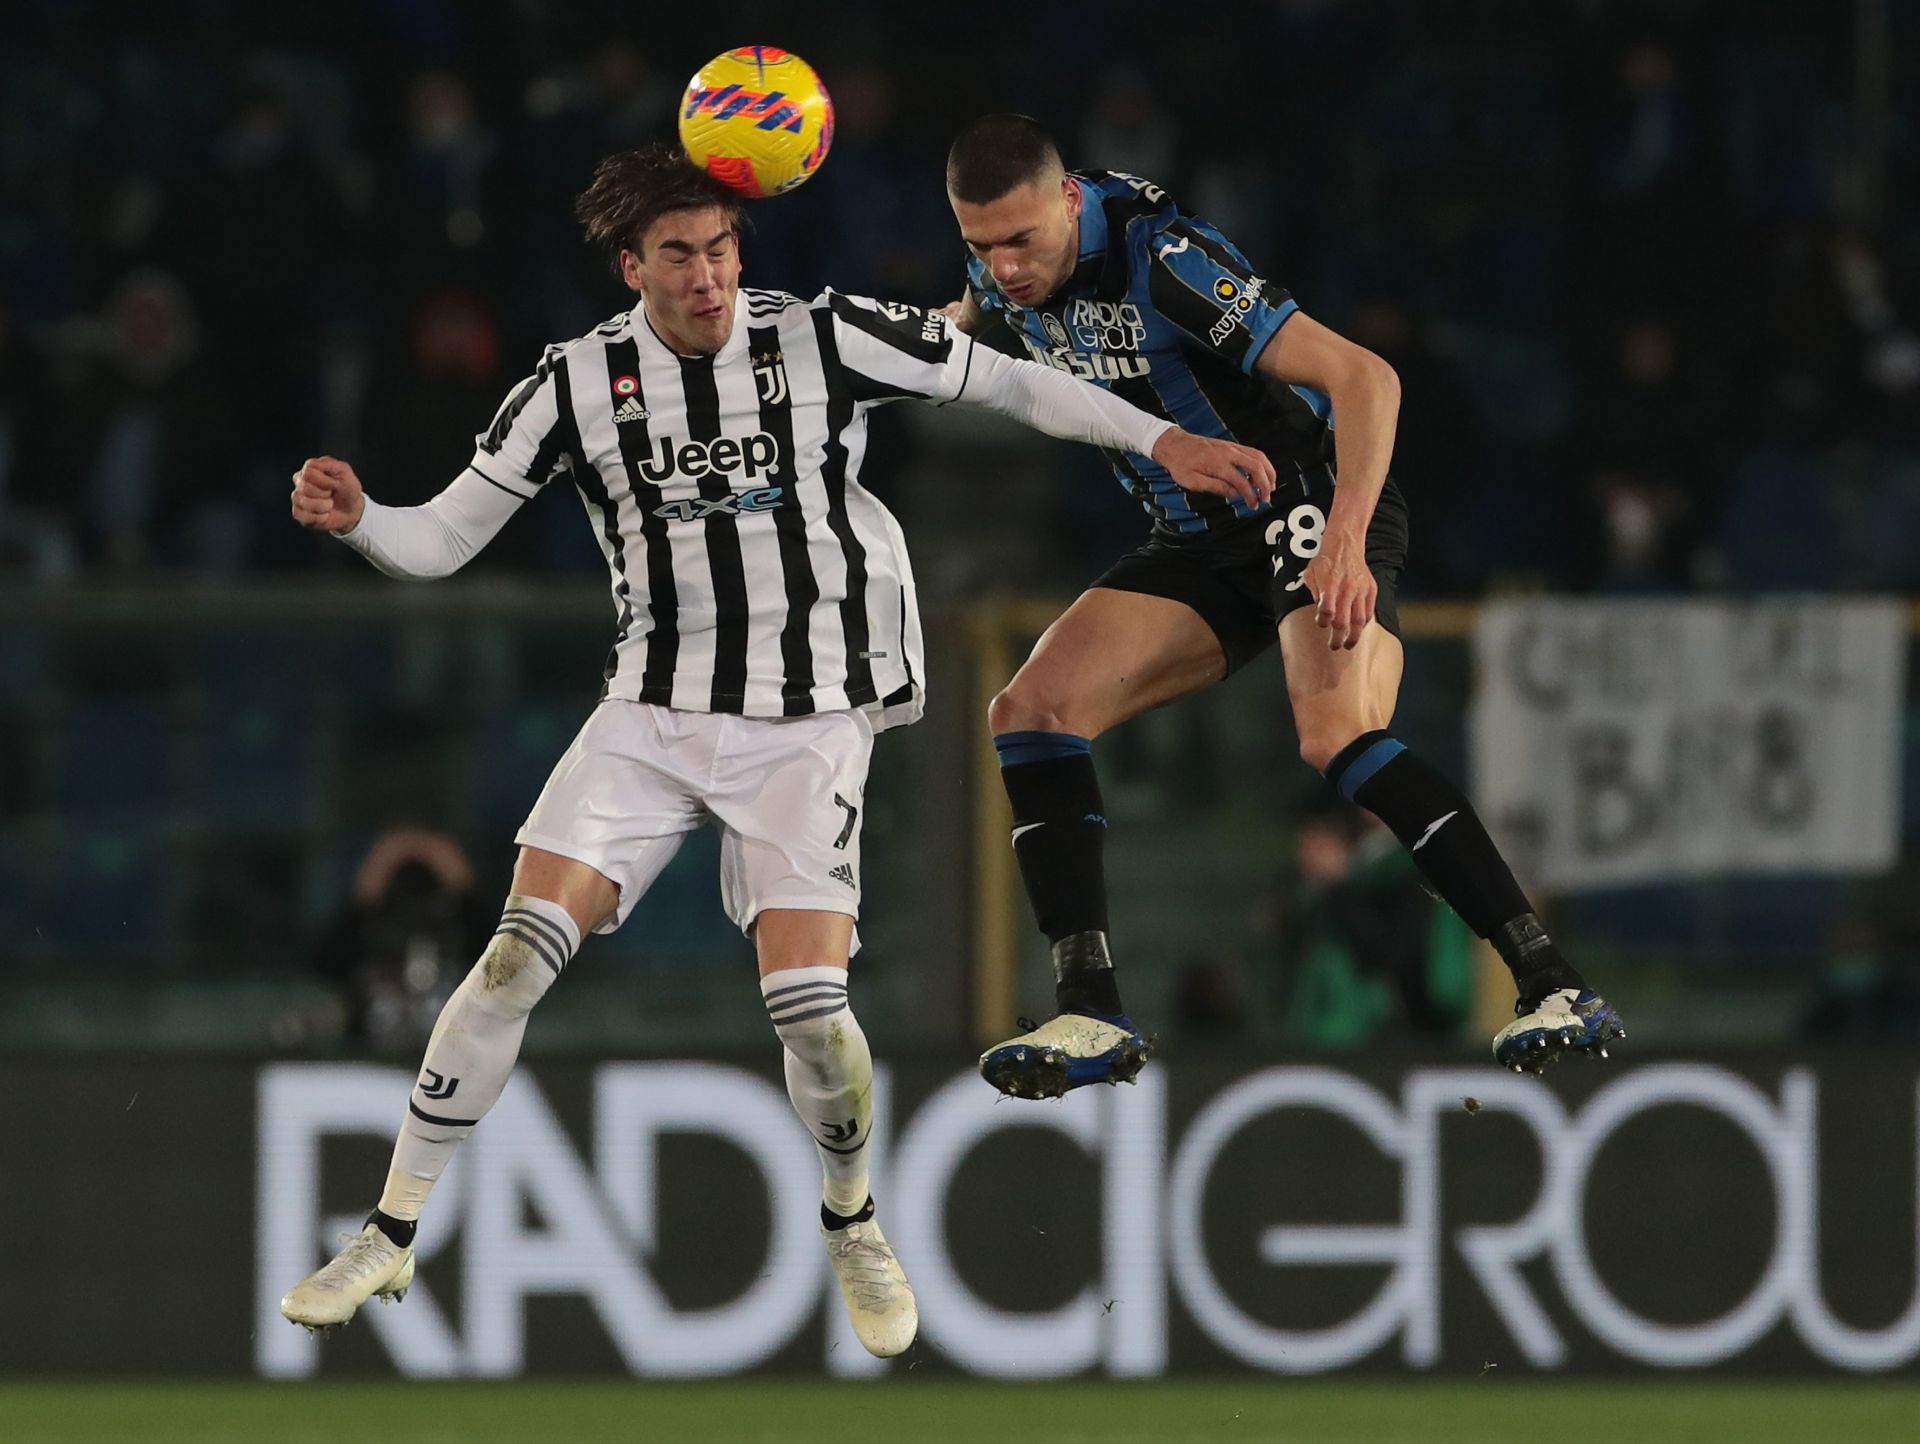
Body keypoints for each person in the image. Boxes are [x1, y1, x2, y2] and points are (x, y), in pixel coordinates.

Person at [276, 143, 1273, 1354]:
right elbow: (443, 540)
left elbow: (1008, 385)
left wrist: (1163, 444)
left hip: (809, 717)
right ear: (631, 265)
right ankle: (391, 1229)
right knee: (510, 961)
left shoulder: (825, 334)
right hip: (651, 709)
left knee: (809, 1011)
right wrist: (362, 519)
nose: (708, 274)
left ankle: (851, 1216)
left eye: (723, 247)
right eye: (681, 255)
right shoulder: (575, 383)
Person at [937, 115, 1623, 1098]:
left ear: (1070, 201)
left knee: (1334, 734)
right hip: (1196, 537)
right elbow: (967, 305)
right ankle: (1091, 1005)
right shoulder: (1000, 252)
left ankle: (1551, 980)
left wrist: (1345, 542)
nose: (1003, 267)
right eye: (982, 244)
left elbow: (1366, 379)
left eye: (1020, 242)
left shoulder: (1164, 259)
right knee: (1030, 710)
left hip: (1304, 499)